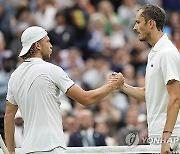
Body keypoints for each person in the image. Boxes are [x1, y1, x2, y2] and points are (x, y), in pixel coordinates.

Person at [4, 26, 124, 154]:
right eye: (48, 41)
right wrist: (112, 86)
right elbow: (86, 99)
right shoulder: (52, 70)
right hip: (52, 148)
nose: (51, 45)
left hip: (28, 149)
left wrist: (11, 152)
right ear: (38, 45)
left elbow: (8, 117)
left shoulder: (14, 76)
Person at [119, 4, 180, 154]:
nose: (134, 27)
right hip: (160, 133)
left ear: (151, 23)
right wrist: (122, 86)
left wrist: (166, 139)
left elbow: (176, 97)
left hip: (171, 134)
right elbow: (150, 94)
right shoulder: (155, 53)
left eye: (138, 22)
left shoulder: (166, 53)